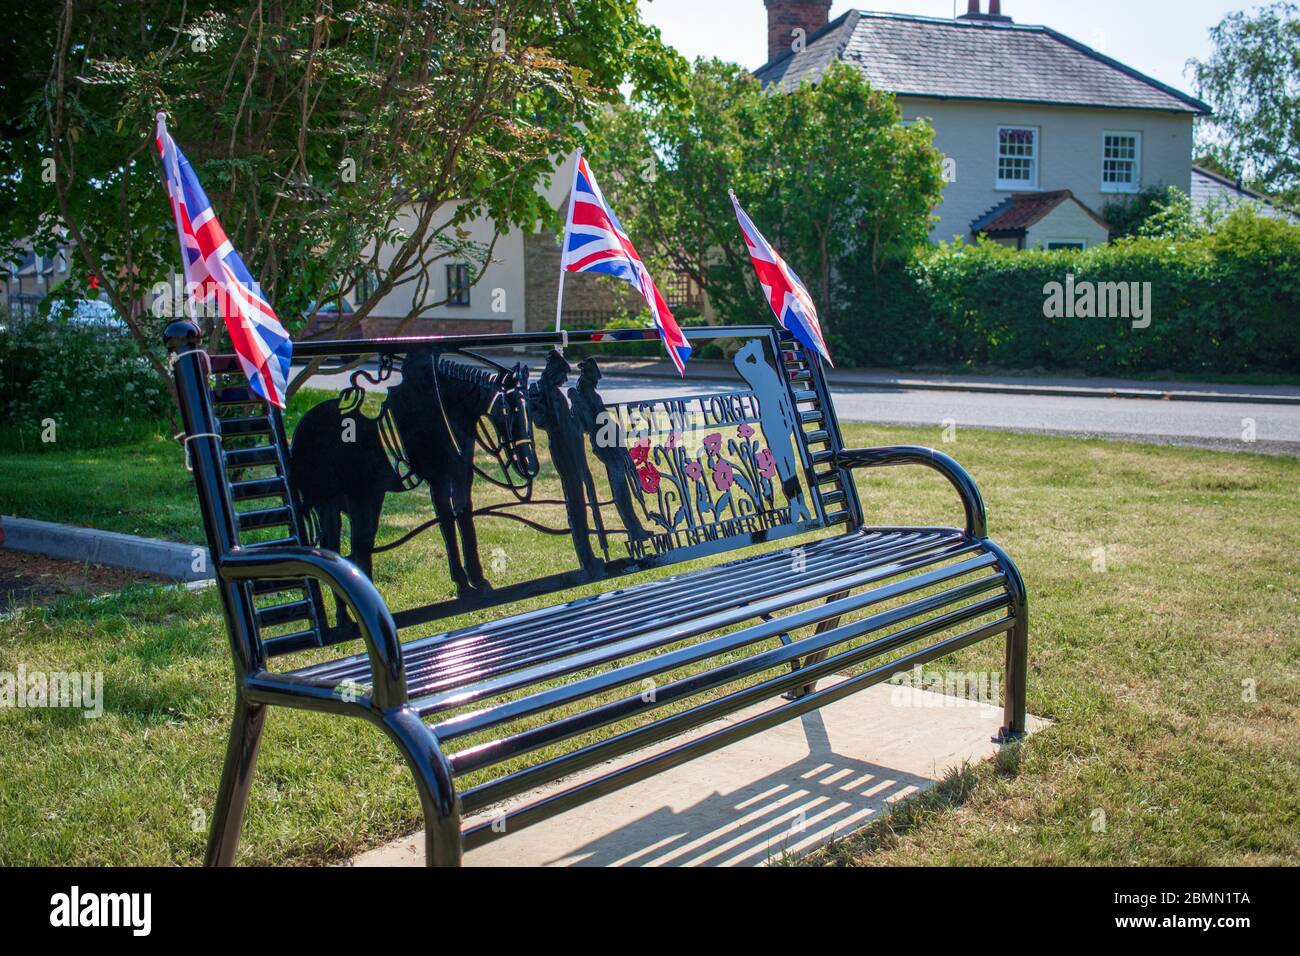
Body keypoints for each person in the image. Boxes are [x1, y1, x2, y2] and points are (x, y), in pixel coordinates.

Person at [528, 351, 603, 573]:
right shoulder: (540, 392)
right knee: (577, 503)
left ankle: (589, 555)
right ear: (555, 372)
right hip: (564, 452)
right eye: (563, 374)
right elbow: (542, 421)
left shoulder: (552, 391)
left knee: (582, 499)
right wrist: (539, 406)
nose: (565, 380)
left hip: (574, 448)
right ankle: (586, 557)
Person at [569, 357, 651, 544]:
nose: (597, 381)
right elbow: (586, 425)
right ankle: (634, 528)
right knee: (621, 487)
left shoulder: (592, 396)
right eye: (594, 378)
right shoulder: (582, 398)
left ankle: (636, 527)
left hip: (614, 443)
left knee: (629, 484)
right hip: (606, 446)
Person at [733, 339, 811, 523]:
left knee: (789, 462)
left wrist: (790, 419)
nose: (759, 352)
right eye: (757, 350)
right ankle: (793, 501)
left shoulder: (768, 368)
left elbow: (782, 395)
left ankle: (800, 501)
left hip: (783, 421)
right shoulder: (754, 371)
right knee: (783, 465)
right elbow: (738, 361)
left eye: (760, 349)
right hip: (771, 421)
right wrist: (748, 348)